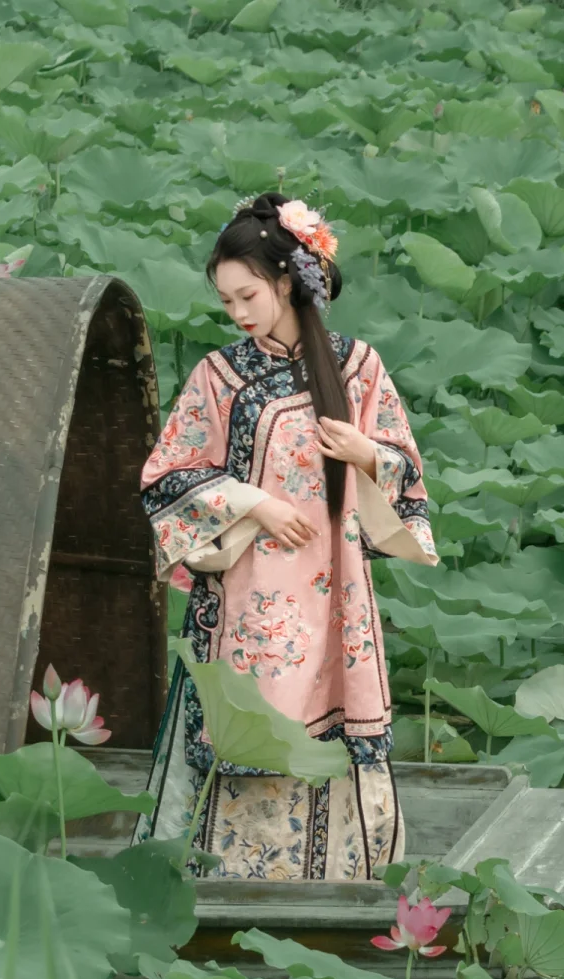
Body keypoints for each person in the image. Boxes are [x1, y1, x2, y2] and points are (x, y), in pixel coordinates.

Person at [132, 192, 439, 881]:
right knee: (244, 717)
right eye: (227, 302)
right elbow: (164, 476)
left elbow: (406, 476)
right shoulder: (220, 376)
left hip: (333, 595)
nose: (238, 314)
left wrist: (364, 452)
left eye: (248, 295)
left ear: (287, 281)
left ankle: (342, 879)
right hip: (247, 591)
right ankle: (219, 879)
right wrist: (253, 504)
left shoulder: (358, 368)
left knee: (331, 718)